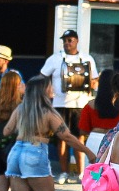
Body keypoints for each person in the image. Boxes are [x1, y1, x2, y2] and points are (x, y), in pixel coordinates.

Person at [5, 76, 82, 191]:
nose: (52, 88)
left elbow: (6, 130)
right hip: (35, 152)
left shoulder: (20, 109)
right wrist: (88, 152)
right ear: (43, 91)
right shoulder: (48, 112)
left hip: (16, 152)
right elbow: (66, 136)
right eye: (49, 86)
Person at [41, 29, 98, 181]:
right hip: (60, 104)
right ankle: (64, 172)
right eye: (65, 40)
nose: (67, 43)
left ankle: (81, 173)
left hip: (80, 105)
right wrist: (47, 91)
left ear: (77, 41)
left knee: (79, 138)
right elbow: (43, 76)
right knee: (61, 138)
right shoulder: (55, 58)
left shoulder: (87, 58)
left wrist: (93, 84)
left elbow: (95, 79)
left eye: (70, 40)